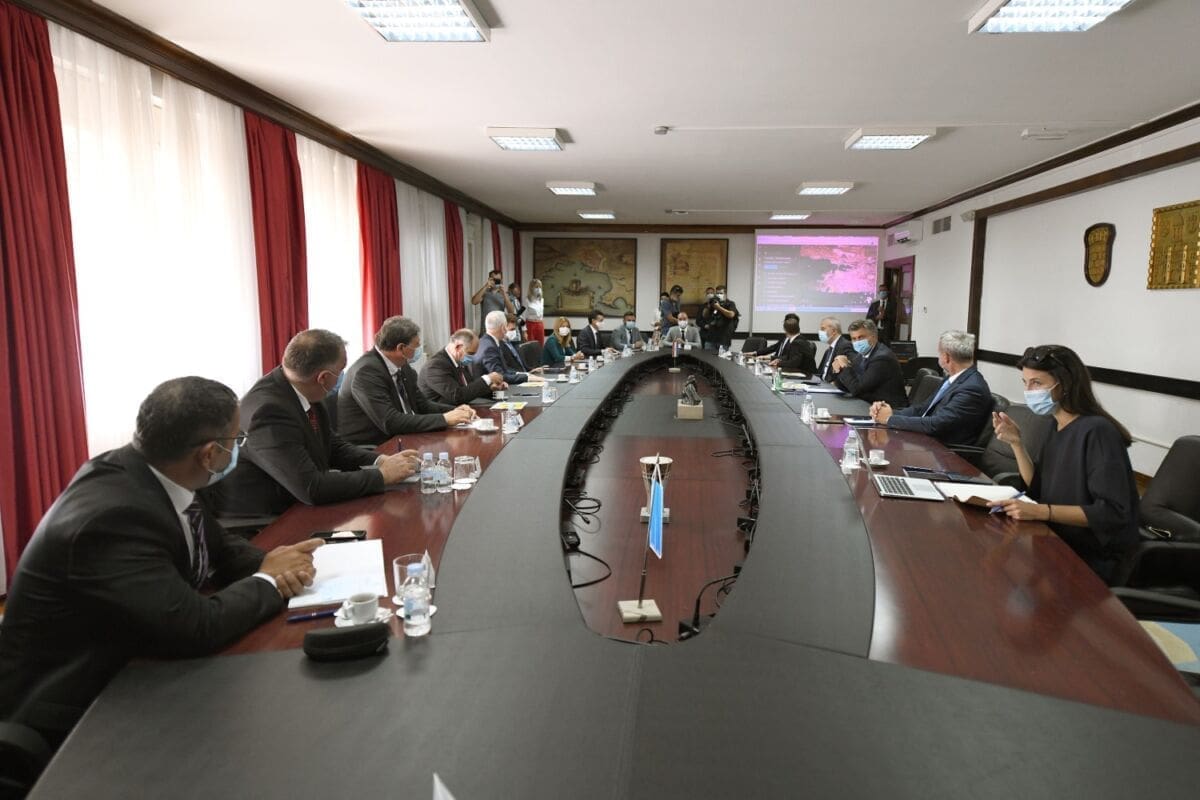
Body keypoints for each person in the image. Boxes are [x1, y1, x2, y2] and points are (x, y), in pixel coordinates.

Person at [0, 377, 326, 748]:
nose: (239, 447)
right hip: (72, 713)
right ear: (209, 454)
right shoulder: (112, 518)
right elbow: (195, 626)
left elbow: (219, 547)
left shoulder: (158, 471)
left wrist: (279, 562)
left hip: (138, 659)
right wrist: (268, 581)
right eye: (236, 439)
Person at [213, 329, 421, 516]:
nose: (343, 376)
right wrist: (382, 476)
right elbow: (311, 486)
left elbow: (332, 445)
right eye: (341, 370)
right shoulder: (268, 412)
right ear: (323, 377)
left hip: (301, 500)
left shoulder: (303, 387)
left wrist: (381, 461)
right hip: (271, 517)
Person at [992, 345, 1139, 583]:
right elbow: (1037, 487)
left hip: (1090, 557)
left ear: (1065, 384)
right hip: (1056, 538)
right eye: (1025, 383)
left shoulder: (1097, 431)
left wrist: (1041, 511)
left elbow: (1111, 512)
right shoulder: (1055, 425)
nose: (1029, 391)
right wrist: (1016, 443)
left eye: (1037, 383)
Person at [338, 317, 475, 444]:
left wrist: (455, 411)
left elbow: (422, 405)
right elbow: (390, 421)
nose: (419, 349)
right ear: (401, 348)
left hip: (401, 438)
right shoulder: (366, 372)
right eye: (416, 346)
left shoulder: (403, 366)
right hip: (374, 446)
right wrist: (445, 419)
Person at [870, 330, 992, 446]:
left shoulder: (972, 388)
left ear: (946, 357)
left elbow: (936, 424)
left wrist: (890, 419)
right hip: (925, 441)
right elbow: (923, 409)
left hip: (945, 451)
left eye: (939, 353)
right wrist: (890, 413)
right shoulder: (952, 379)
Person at [418, 329, 505, 405]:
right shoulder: (435, 366)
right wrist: (487, 378)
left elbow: (468, 390)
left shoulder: (458, 361)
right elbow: (457, 396)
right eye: (471, 353)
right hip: (441, 414)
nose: (473, 357)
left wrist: (491, 388)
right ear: (458, 347)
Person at [831, 319, 907, 407]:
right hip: (869, 403)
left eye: (861, 337)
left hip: (889, 409)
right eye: (854, 339)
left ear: (874, 337)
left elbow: (857, 389)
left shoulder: (882, 358)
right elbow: (849, 385)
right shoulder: (861, 355)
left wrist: (845, 366)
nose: (857, 342)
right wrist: (838, 368)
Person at [476, 309, 541, 384]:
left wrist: (526, 375)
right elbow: (500, 376)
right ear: (503, 327)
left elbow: (505, 370)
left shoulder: (487, 341)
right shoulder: (489, 347)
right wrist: (527, 378)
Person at [751, 313, 816, 375]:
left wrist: (778, 363)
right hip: (804, 374)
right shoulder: (798, 340)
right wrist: (778, 360)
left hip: (808, 375)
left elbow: (793, 363)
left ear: (786, 330)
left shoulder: (797, 342)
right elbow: (789, 357)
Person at [470, 268, 514, 333]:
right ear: (489, 279)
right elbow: (474, 302)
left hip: (499, 331)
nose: (495, 282)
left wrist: (504, 294)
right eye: (494, 279)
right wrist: (486, 286)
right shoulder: (484, 293)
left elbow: (511, 312)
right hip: (485, 331)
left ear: (501, 280)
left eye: (498, 280)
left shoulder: (505, 294)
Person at [815, 316, 855, 382]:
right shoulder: (828, 350)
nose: (820, 332)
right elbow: (820, 372)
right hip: (822, 383)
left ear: (833, 331)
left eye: (823, 329)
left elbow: (848, 372)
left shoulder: (846, 346)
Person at [701, 284, 740, 352]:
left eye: (721, 293)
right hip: (711, 337)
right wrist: (708, 305)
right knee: (707, 357)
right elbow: (704, 315)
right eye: (717, 293)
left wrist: (719, 308)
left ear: (725, 294)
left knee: (721, 358)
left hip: (723, 339)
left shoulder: (730, 303)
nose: (719, 295)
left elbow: (731, 314)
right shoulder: (714, 303)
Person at [525, 279, 545, 343]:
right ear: (531, 288)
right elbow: (523, 316)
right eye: (536, 287)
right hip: (530, 324)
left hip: (540, 324)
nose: (538, 289)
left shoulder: (541, 300)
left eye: (540, 287)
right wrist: (524, 330)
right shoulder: (527, 300)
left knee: (540, 344)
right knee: (531, 345)